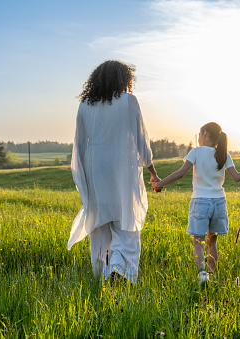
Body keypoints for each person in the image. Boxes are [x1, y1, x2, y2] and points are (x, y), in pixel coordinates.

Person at [67, 60, 160, 285]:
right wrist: (153, 173)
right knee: (126, 223)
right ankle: (120, 271)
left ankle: (101, 277)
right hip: (121, 170)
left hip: (94, 169)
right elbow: (141, 142)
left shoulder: (84, 105)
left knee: (99, 225)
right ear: (124, 80)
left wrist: (83, 178)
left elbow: (78, 145)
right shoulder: (129, 101)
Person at [152, 122, 240, 286]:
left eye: (200, 134)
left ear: (205, 133)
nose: (199, 137)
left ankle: (202, 274)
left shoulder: (196, 152)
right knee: (212, 241)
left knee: (198, 241)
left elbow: (180, 173)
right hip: (219, 203)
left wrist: (160, 184)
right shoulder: (224, 155)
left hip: (201, 202)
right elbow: (236, 177)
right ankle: (212, 274)